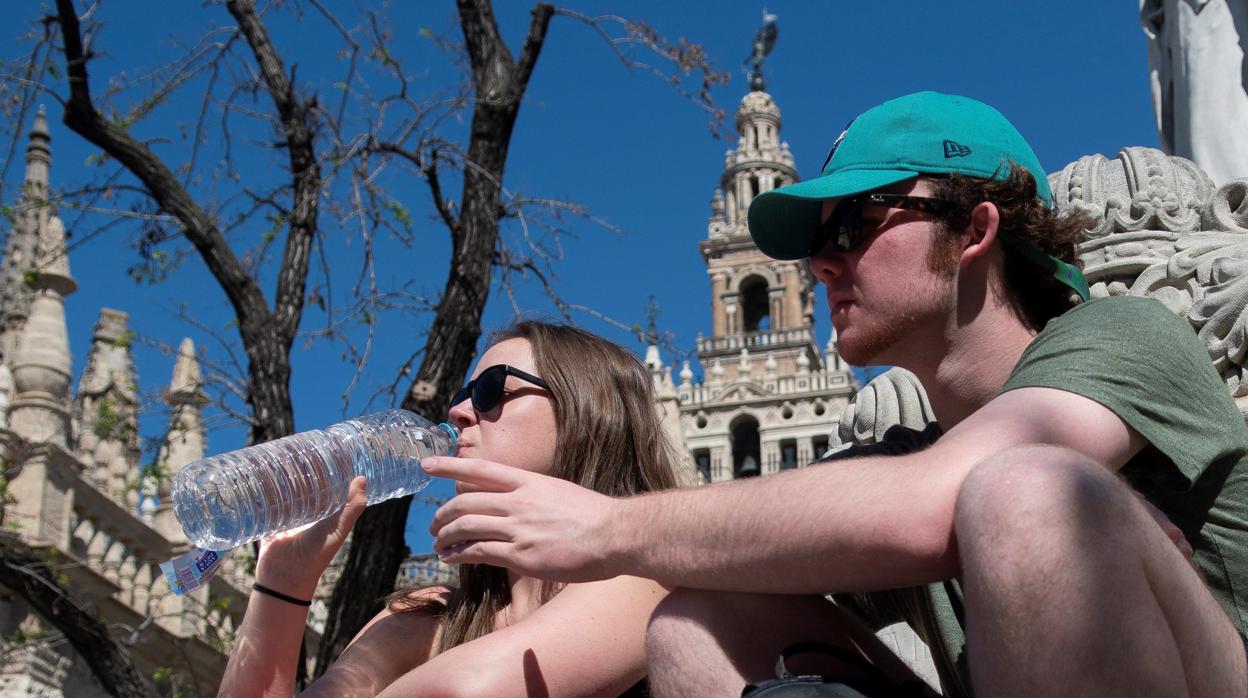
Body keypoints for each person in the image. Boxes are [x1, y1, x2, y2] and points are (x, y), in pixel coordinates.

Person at [425, 91, 1248, 697]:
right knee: (704, 617)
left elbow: (934, 506)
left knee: (1028, 491)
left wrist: (606, 525)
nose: (823, 264)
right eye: (819, 243)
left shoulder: (1124, 336)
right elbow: (723, 559)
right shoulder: (889, 459)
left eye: (855, 225)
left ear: (977, 229)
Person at [219, 321, 683, 697]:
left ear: (590, 413)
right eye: (463, 394)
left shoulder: (641, 579)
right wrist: (283, 580)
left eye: (491, 390)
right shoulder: (429, 616)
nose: (460, 411)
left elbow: (469, 689)